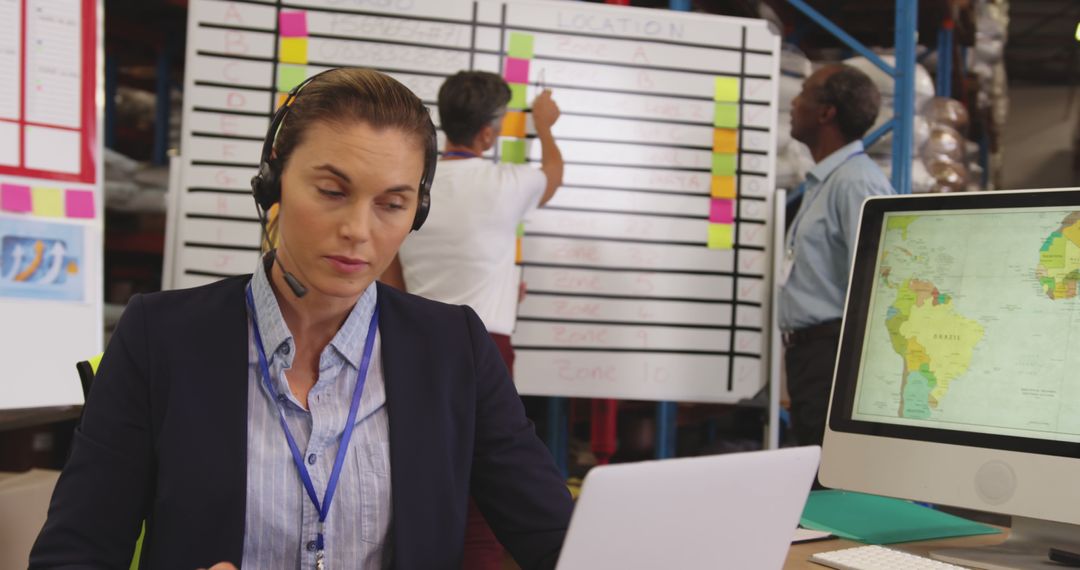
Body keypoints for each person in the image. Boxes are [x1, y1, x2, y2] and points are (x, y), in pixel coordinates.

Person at [29, 68, 573, 570]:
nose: (359, 230)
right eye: (332, 192)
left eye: (392, 204)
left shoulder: (454, 348)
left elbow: (558, 539)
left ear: (417, 211)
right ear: (274, 186)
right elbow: (73, 553)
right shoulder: (160, 336)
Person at [380, 70, 563, 570]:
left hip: (412, 340)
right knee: (488, 475)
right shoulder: (510, 181)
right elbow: (553, 173)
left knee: (419, 464)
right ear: (489, 133)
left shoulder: (416, 185)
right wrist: (544, 125)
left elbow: (391, 274)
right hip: (486, 347)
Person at [779, 64, 894, 450]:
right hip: (812, 358)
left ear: (827, 113)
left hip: (833, 360)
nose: (793, 102)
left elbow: (881, 286)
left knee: (829, 487)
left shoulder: (856, 182)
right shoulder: (828, 180)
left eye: (804, 92)